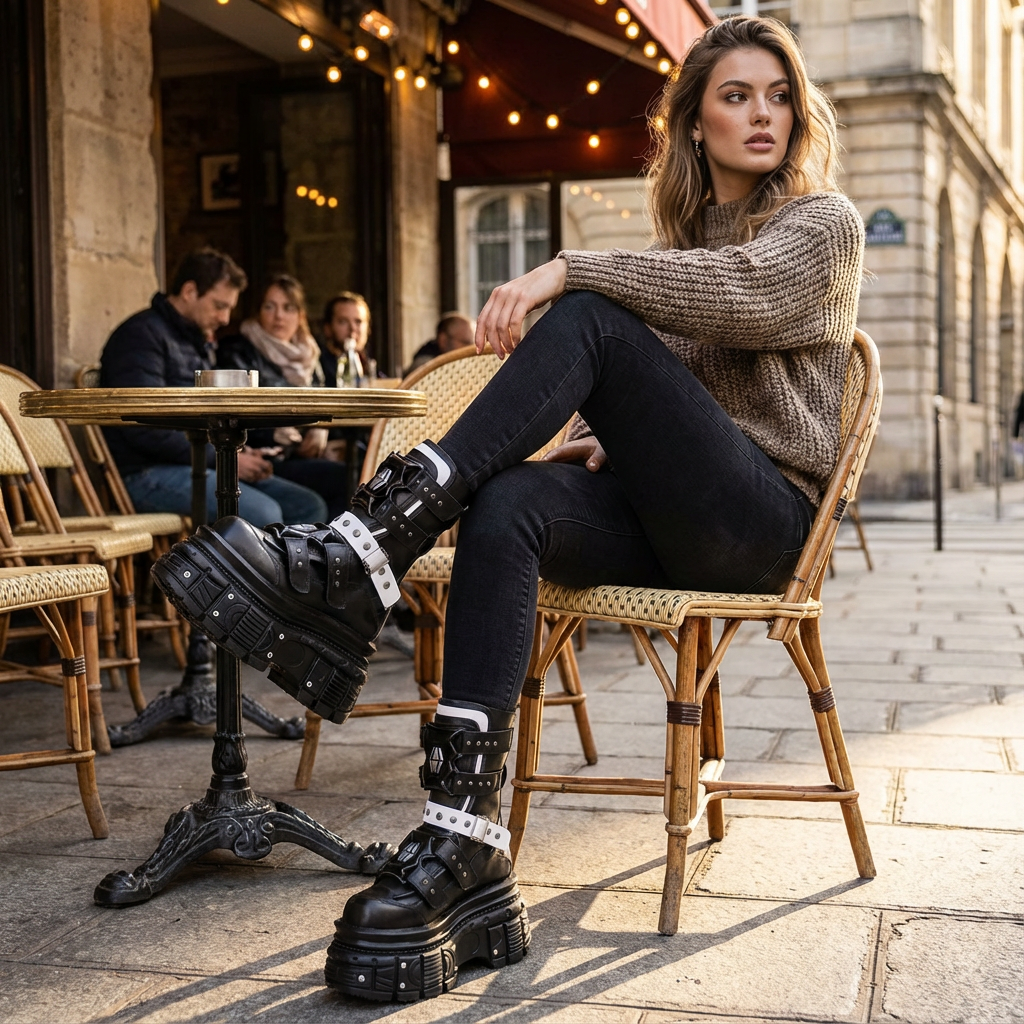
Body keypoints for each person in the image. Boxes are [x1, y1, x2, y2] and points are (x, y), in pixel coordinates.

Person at [155, 17, 865, 1002]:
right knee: (515, 497)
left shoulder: (824, 223)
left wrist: (569, 269)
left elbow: (746, 297)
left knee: (589, 315)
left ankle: (361, 553)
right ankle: (467, 840)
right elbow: (684, 391)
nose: (763, 114)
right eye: (736, 95)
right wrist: (602, 438)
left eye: (778, 95)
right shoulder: (685, 245)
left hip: (762, 528)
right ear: (694, 123)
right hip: (682, 517)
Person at [100, 249, 327, 527]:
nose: (225, 318)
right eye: (220, 306)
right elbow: (145, 427)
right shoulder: (141, 335)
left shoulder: (194, 339)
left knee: (307, 506)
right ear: (189, 291)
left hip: (197, 461)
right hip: (146, 472)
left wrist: (236, 451)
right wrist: (222, 458)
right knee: (264, 514)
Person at [217, 275, 349, 518]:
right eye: (270, 307)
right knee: (340, 483)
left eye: (288, 308)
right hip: (259, 456)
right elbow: (230, 413)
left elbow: (322, 403)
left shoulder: (311, 354)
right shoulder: (237, 351)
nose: (279, 316)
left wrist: (320, 430)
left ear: (300, 316)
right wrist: (273, 431)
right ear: (258, 312)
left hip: (296, 454)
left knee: (354, 474)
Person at [319, 291, 374, 385]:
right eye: (343, 322)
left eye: (358, 322)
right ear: (328, 328)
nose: (352, 329)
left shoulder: (368, 365)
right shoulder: (317, 368)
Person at [407, 312, 474, 374]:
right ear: (443, 340)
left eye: (473, 343)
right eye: (466, 342)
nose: (471, 348)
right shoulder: (425, 366)